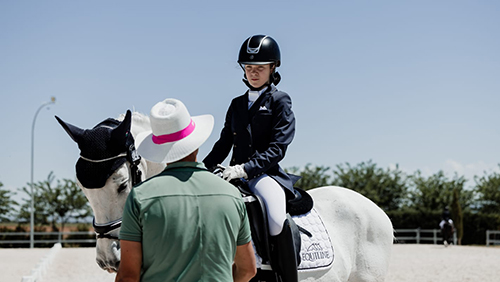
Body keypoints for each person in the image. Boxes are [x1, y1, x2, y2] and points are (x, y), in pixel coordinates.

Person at [115, 99, 256, 282]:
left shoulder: (140, 197)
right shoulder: (231, 195)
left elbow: (128, 276)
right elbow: (248, 269)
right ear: (196, 144)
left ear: (159, 149)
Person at [203, 35, 299, 282]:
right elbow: (224, 142)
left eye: (260, 68)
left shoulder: (280, 101)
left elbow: (278, 148)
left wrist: (244, 169)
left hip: (264, 175)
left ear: (272, 68)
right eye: (249, 68)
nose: (253, 73)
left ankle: (284, 275)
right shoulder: (236, 104)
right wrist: (202, 168)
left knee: (277, 219)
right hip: (232, 174)